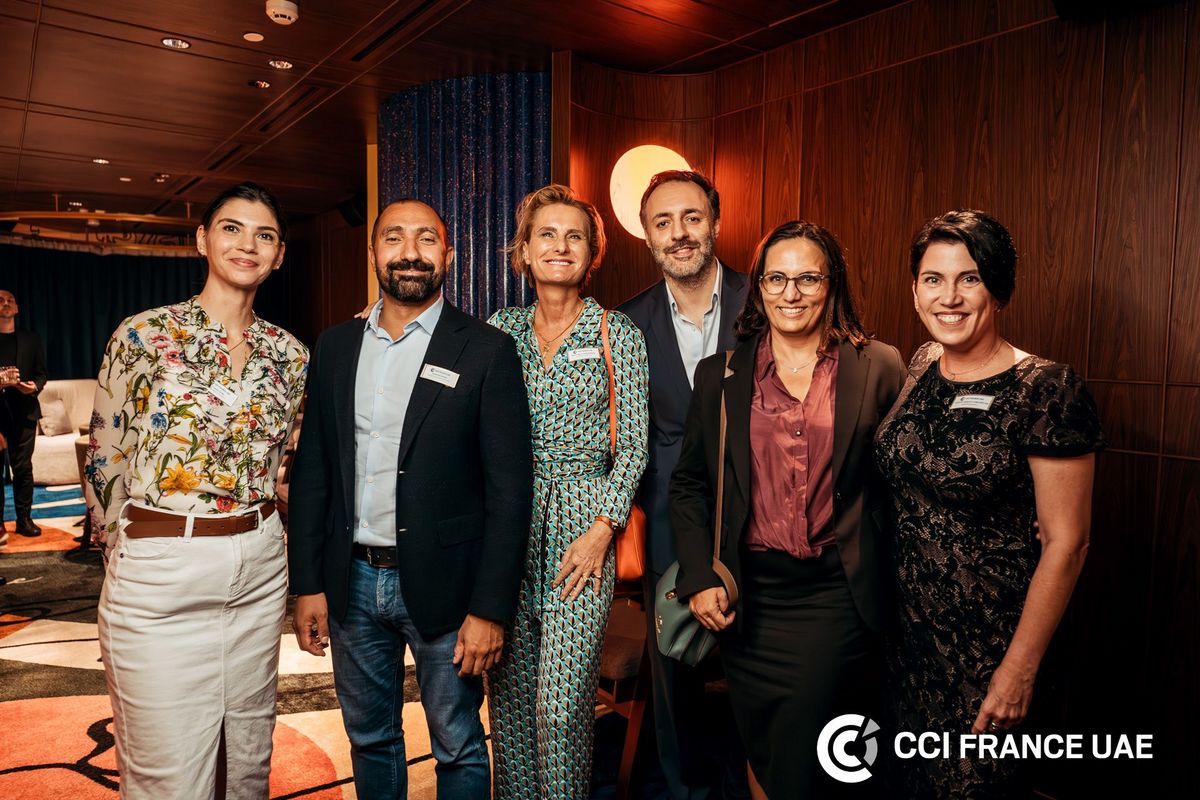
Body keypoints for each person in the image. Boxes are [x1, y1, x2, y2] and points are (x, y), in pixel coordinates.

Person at [287, 198, 533, 799]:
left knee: (458, 742)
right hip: (352, 583)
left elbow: (509, 493)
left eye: (426, 239)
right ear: (374, 252)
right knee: (370, 739)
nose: (410, 252)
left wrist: (491, 609)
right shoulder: (336, 346)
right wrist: (307, 583)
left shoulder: (487, 349)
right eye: (394, 237)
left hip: (450, 585)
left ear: (448, 255)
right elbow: (315, 472)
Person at [84, 182, 308, 799]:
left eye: (265, 235)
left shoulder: (290, 355)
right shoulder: (143, 335)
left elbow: (281, 464)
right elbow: (106, 458)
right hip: (161, 571)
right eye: (232, 228)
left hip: (260, 569)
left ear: (279, 255)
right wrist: (128, 553)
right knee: (168, 774)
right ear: (203, 240)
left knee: (245, 762)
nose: (247, 244)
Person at [670, 220, 905, 798]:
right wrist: (699, 576)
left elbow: (906, 478)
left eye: (807, 279)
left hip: (837, 594)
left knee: (809, 752)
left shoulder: (877, 365)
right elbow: (690, 484)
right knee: (766, 743)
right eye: (776, 278)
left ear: (832, 284)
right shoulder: (720, 375)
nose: (790, 293)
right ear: (759, 287)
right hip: (749, 601)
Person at [874, 209, 1104, 796]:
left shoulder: (1046, 389)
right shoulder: (920, 364)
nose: (949, 297)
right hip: (904, 643)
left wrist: (1018, 670)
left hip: (987, 651)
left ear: (997, 289)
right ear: (915, 290)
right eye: (933, 279)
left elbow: (1068, 544)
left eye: (969, 278)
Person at [487, 184, 648, 799]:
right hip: (510, 519)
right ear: (524, 251)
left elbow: (633, 447)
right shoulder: (500, 331)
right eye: (546, 235)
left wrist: (603, 529)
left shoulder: (616, 333)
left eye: (574, 236)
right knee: (510, 704)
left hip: (584, 524)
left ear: (592, 252)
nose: (560, 246)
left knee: (560, 708)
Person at [617, 170, 749, 799]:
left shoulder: (765, 299)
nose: (679, 233)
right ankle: (685, 792)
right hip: (670, 518)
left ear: (714, 223)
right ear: (647, 235)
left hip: (759, 515)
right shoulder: (626, 322)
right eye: (663, 222)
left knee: (756, 666)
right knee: (674, 672)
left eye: (692, 217)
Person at [0, 288, 49, 537]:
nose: (6, 303)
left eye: (10, 300)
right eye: (0, 300)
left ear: (17, 308)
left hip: (25, 410)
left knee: (23, 468)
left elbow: (42, 374)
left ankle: (24, 520)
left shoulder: (31, 339)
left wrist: (33, 387)